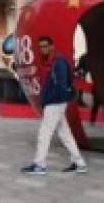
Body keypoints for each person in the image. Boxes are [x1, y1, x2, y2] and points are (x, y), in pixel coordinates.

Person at [21, 36, 88, 175]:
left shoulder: (59, 62)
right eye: (40, 46)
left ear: (52, 46)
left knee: (44, 133)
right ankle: (79, 162)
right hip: (56, 103)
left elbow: (61, 87)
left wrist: (49, 101)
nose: (43, 49)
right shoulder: (52, 61)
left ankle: (39, 165)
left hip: (55, 103)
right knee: (65, 134)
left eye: (45, 46)